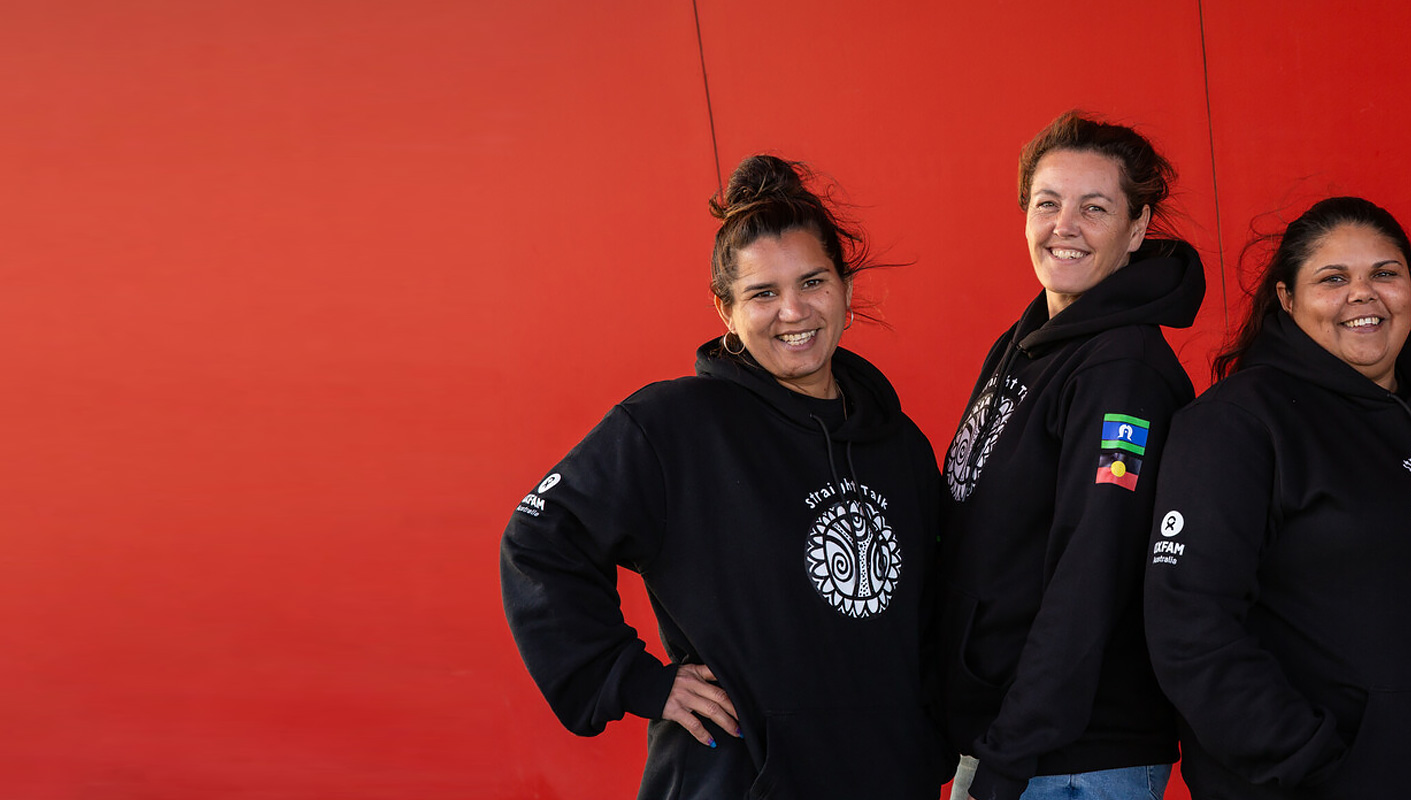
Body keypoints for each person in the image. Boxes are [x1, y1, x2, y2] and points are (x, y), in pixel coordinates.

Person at [500, 154, 953, 798]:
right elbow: (540, 539)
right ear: (725, 309)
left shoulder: (899, 446)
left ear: (846, 288)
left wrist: (927, 743)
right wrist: (634, 678)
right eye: (762, 293)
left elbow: (932, 618)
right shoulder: (673, 426)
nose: (793, 311)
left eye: (813, 282)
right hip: (736, 783)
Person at [1144, 197, 1411, 798]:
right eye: (1333, 279)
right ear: (1286, 299)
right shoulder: (1237, 425)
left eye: (1385, 273)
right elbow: (1190, 628)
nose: (1364, 295)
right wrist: (1315, 763)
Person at [939, 111, 1202, 800]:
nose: (1065, 225)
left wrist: (1008, 757)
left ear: (1138, 229)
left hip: (1071, 763)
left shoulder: (1123, 374)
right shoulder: (1026, 343)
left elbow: (1093, 570)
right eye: (1048, 203)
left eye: (1095, 207)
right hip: (1009, 742)